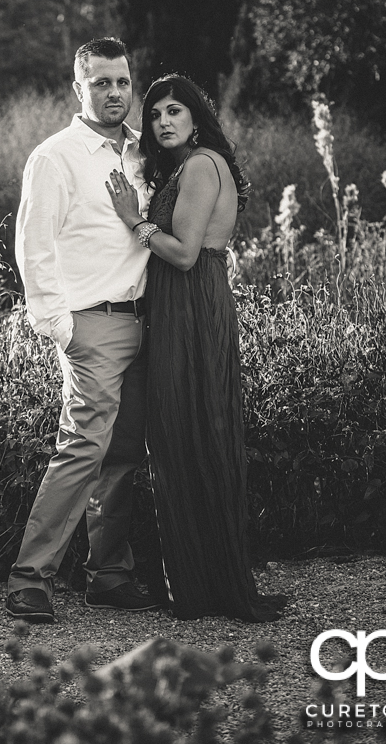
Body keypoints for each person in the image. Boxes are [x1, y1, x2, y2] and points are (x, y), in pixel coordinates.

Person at [106, 74, 287, 622]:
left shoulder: (204, 163)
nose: (162, 121)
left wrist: (131, 217)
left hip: (193, 303)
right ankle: (197, 581)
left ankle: (210, 585)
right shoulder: (185, 166)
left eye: (174, 112)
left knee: (195, 431)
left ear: (196, 118)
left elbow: (184, 253)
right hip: (178, 307)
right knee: (180, 433)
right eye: (155, 113)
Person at [7, 37, 162, 623]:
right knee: (82, 449)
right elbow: (33, 246)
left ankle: (110, 574)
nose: (115, 92)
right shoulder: (56, 157)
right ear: (79, 88)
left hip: (148, 321)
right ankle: (30, 578)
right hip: (92, 326)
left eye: (123, 81)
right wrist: (59, 327)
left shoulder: (146, 155)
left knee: (123, 455)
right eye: (101, 82)